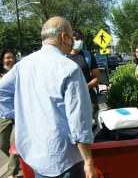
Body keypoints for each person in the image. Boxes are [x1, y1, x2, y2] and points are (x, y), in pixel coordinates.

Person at [0, 16, 96, 177]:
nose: (73, 41)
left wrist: (21, 115)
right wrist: (88, 161)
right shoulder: (69, 69)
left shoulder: (22, 65)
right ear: (64, 37)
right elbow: (79, 120)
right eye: (72, 37)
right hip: (65, 158)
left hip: (36, 154)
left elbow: (1, 93)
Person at [66, 28, 100, 117]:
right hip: (70, 99)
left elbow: (96, 77)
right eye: (76, 38)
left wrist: (85, 86)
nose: (79, 41)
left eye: (80, 38)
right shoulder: (63, 57)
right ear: (70, 40)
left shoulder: (88, 56)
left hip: (88, 97)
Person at [0, 49, 19, 178]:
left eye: (12, 57)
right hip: (3, 115)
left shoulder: (18, 73)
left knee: (15, 143)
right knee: (2, 145)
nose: (10, 60)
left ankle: (12, 173)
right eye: (7, 58)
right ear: (2, 60)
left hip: (18, 115)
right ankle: (19, 158)